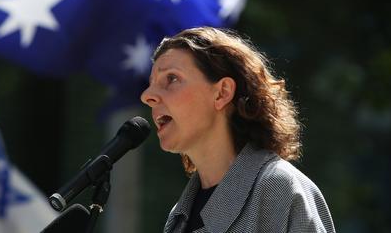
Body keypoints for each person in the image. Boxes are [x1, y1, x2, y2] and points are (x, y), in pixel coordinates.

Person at [140, 27, 335, 233]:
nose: (147, 96)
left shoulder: (280, 188)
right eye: (151, 84)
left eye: (171, 78)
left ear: (222, 93)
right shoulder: (178, 217)